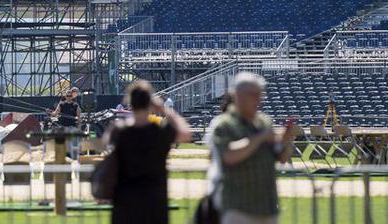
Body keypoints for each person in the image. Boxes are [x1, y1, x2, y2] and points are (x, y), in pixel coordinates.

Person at [211, 72, 294, 224]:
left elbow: (281, 158)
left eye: (260, 94)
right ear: (238, 95)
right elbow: (229, 156)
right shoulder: (223, 124)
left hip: (267, 207)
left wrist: (286, 142)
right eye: (253, 94)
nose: (258, 99)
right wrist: (260, 137)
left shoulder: (264, 121)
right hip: (238, 208)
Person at [108, 80, 191, 224]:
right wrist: (164, 109)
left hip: (125, 199)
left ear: (130, 102)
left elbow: (106, 145)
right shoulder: (159, 132)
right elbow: (185, 133)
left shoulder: (119, 131)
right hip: (154, 198)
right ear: (150, 103)